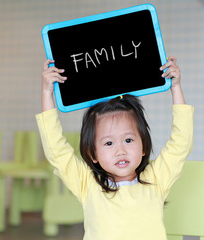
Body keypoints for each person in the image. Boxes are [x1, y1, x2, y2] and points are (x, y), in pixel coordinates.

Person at [36, 56, 194, 240]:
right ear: (92, 153)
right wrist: (47, 93)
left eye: (128, 140)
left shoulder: (156, 179)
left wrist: (176, 87)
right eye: (109, 143)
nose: (120, 150)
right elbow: (57, 151)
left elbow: (180, 144)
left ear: (143, 146)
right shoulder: (87, 184)